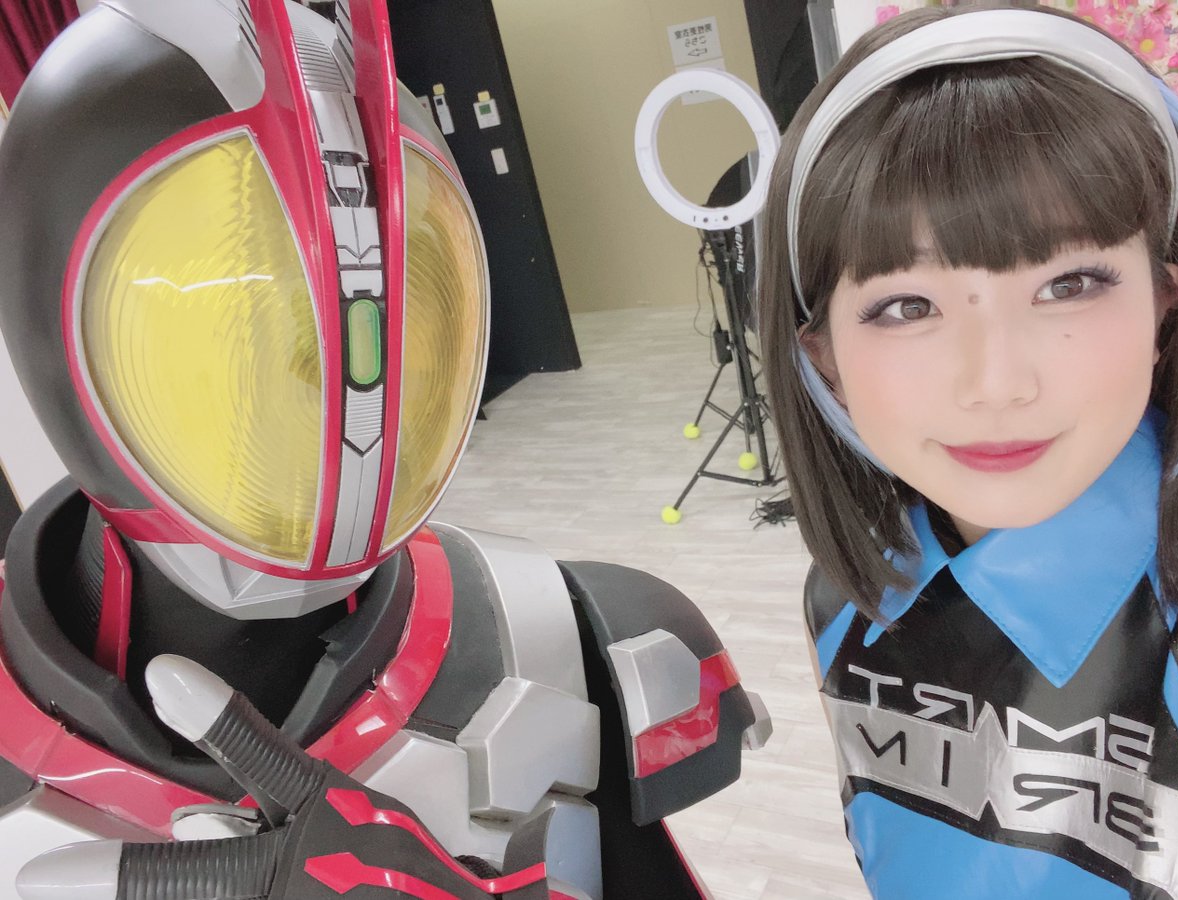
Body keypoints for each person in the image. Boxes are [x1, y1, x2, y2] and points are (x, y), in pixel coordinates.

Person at [0, 1, 769, 897]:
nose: (345, 370)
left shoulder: (582, 642)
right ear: (51, 335)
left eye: (404, 293)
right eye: (237, 314)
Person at [758, 4, 1178, 898]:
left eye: (1069, 284)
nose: (996, 383)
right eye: (906, 306)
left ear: (1163, 301)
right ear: (822, 356)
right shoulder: (844, 597)